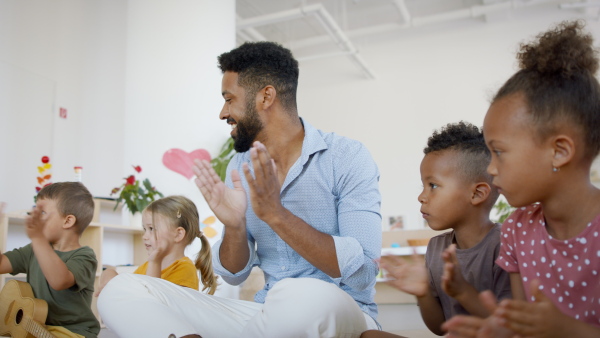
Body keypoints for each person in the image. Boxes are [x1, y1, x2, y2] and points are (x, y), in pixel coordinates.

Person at [97, 41, 382, 338]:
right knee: (121, 288)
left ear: (266, 96)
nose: (223, 112)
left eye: (229, 99)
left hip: (341, 310)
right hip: (265, 313)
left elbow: (363, 272)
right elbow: (234, 276)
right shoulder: (240, 164)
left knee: (300, 295)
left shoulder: (346, 157)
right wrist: (234, 226)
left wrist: (276, 215)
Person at [442, 20, 600, 338]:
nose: (492, 168)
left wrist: (567, 331)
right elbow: (523, 323)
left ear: (559, 151)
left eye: (499, 152)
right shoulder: (517, 228)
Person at [362, 122, 511, 338]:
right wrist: (423, 294)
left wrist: (464, 292)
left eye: (433, 185)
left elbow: (509, 330)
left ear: (477, 194)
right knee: (369, 336)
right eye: (423, 186)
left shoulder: (505, 244)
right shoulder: (437, 246)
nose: (421, 197)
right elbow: (440, 328)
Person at [0, 182, 100, 338]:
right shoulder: (34, 249)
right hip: (35, 327)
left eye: (43, 212)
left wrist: (38, 238)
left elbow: (59, 280)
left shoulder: (85, 256)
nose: (34, 217)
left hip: (74, 332)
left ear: (67, 221)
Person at [95, 195, 217, 295]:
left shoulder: (185, 268)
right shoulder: (145, 266)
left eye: (152, 228)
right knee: (109, 271)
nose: (145, 236)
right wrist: (109, 275)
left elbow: (154, 303)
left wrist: (155, 263)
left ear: (178, 234)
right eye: (145, 229)